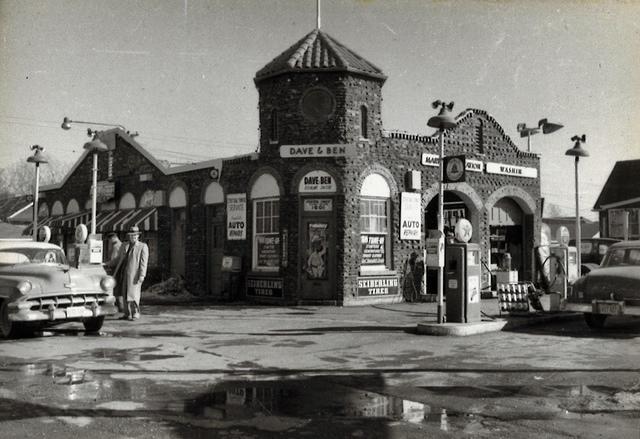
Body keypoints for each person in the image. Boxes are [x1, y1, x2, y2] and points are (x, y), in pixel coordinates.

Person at [112, 225, 149, 320]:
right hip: (124, 273)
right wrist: (106, 263)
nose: (133, 237)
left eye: (135, 235)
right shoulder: (125, 245)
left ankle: (136, 313)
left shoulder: (142, 246)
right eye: (131, 235)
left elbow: (143, 262)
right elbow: (118, 259)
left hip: (134, 275)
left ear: (138, 236)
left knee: (133, 295)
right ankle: (127, 313)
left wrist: (142, 275)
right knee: (124, 294)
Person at [104, 233, 123, 311]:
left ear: (113, 238)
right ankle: (120, 307)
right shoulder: (121, 245)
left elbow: (114, 260)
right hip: (120, 269)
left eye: (110, 239)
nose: (110, 241)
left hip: (115, 269)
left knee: (115, 289)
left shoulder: (116, 246)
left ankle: (118, 307)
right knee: (118, 288)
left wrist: (106, 263)